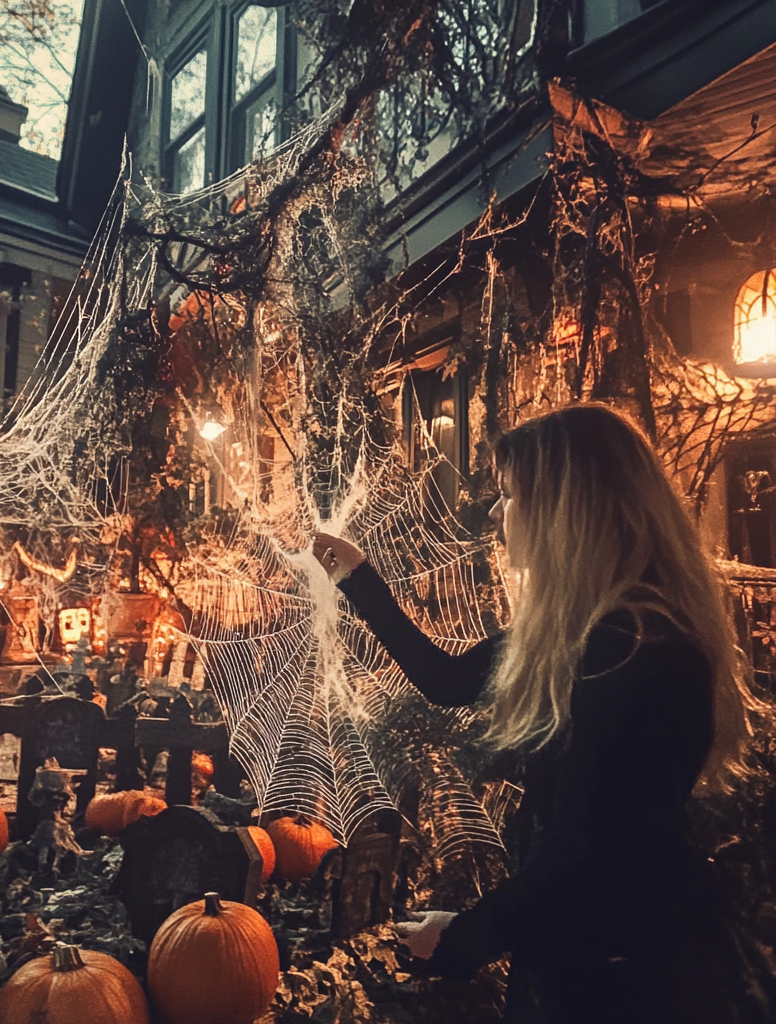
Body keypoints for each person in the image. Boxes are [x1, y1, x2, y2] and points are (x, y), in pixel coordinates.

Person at [312, 404, 761, 1024]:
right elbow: (448, 679)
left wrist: (464, 936)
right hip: (597, 946)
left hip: (622, 973)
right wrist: (358, 577)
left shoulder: (629, 649)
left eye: (510, 496)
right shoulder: (587, 630)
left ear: (565, 512)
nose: (496, 514)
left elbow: (585, 847)